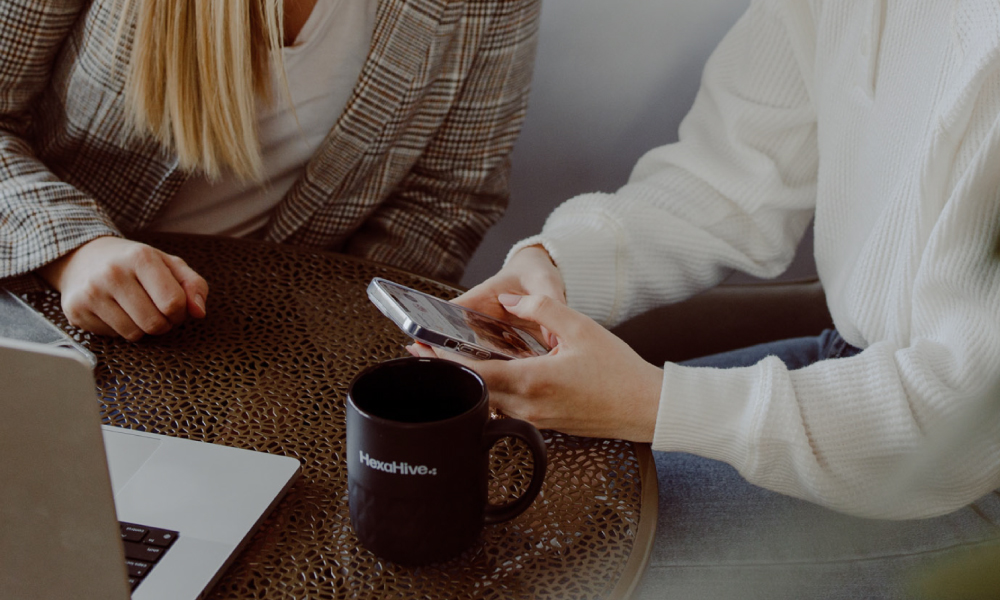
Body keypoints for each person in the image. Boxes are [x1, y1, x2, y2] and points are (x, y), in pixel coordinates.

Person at [410, 0, 1000, 597]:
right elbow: (735, 176)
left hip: (971, 471)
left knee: (528, 558)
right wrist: (556, 264)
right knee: (486, 484)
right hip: (858, 361)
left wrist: (651, 403)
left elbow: (966, 415)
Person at [0, 0, 539, 341]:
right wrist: (74, 250)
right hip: (40, 308)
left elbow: (446, 199)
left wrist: (345, 342)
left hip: (272, 346)